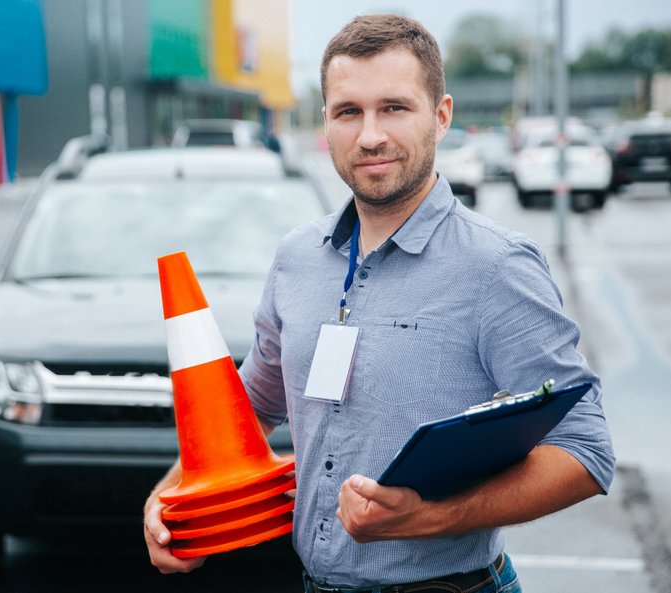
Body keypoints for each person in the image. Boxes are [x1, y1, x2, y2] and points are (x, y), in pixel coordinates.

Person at [144, 14, 614, 592]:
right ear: (325, 123)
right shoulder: (297, 258)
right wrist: (170, 498)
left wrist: (431, 517)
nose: (370, 135)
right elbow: (250, 410)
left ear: (441, 116)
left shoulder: (496, 267)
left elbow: (585, 451)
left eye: (394, 107)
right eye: (349, 112)